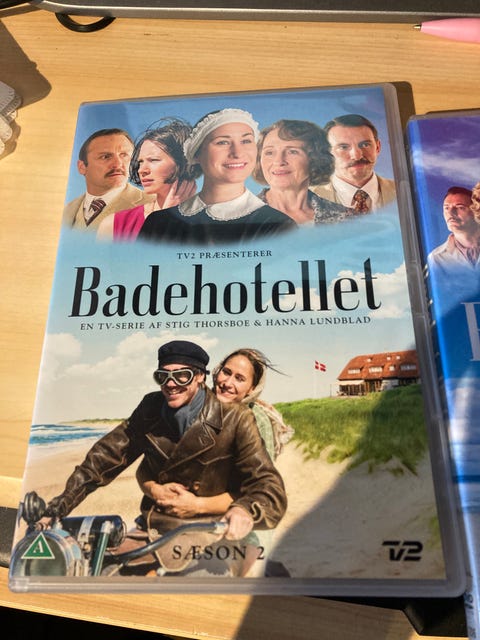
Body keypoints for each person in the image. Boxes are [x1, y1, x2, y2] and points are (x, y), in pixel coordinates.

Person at [37, 340, 287, 575]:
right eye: (162, 376)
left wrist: (243, 511)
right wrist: (58, 507)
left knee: (202, 591)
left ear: (200, 376)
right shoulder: (152, 407)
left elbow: (267, 486)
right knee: (95, 570)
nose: (171, 384)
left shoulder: (239, 418)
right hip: (152, 526)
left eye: (182, 376)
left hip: (209, 532)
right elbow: (104, 458)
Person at [137, 347, 293, 576]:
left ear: (252, 388)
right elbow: (149, 466)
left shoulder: (255, 420)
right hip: (185, 519)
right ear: (216, 372)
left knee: (245, 580)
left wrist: (197, 505)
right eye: (226, 372)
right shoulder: (195, 407)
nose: (228, 383)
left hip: (241, 518)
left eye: (239, 378)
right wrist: (155, 489)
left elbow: (257, 489)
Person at [137, 108, 295, 245]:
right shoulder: (159, 222)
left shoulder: (279, 225)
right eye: (222, 142)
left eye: (246, 141)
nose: (237, 153)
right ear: (196, 154)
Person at [96, 119, 196, 241]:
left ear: (184, 162)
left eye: (153, 160)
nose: (141, 170)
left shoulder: (212, 219)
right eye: (140, 162)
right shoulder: (113, 225)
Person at [253, 119, 353, 225]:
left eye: (292, 152)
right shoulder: (242, 215)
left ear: (315, 159)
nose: (278, 161)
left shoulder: (347, 218)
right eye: (269, 152)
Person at [63, 128, 154, 231]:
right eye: (105, 157)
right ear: (82, 167)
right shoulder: (67, 210)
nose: (118, 164)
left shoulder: (155, 205)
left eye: (124, 155)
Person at [311, 114, 396, 212]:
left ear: (377, 147)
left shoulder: (403, 192)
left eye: (365, 145)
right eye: (343, 147)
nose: (357, 156)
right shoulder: (306, 200)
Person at [428, 186, 480, 273]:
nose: (450, 213)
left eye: (460, 207)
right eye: (446, 208)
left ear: (476, 210)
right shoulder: (436, 258)